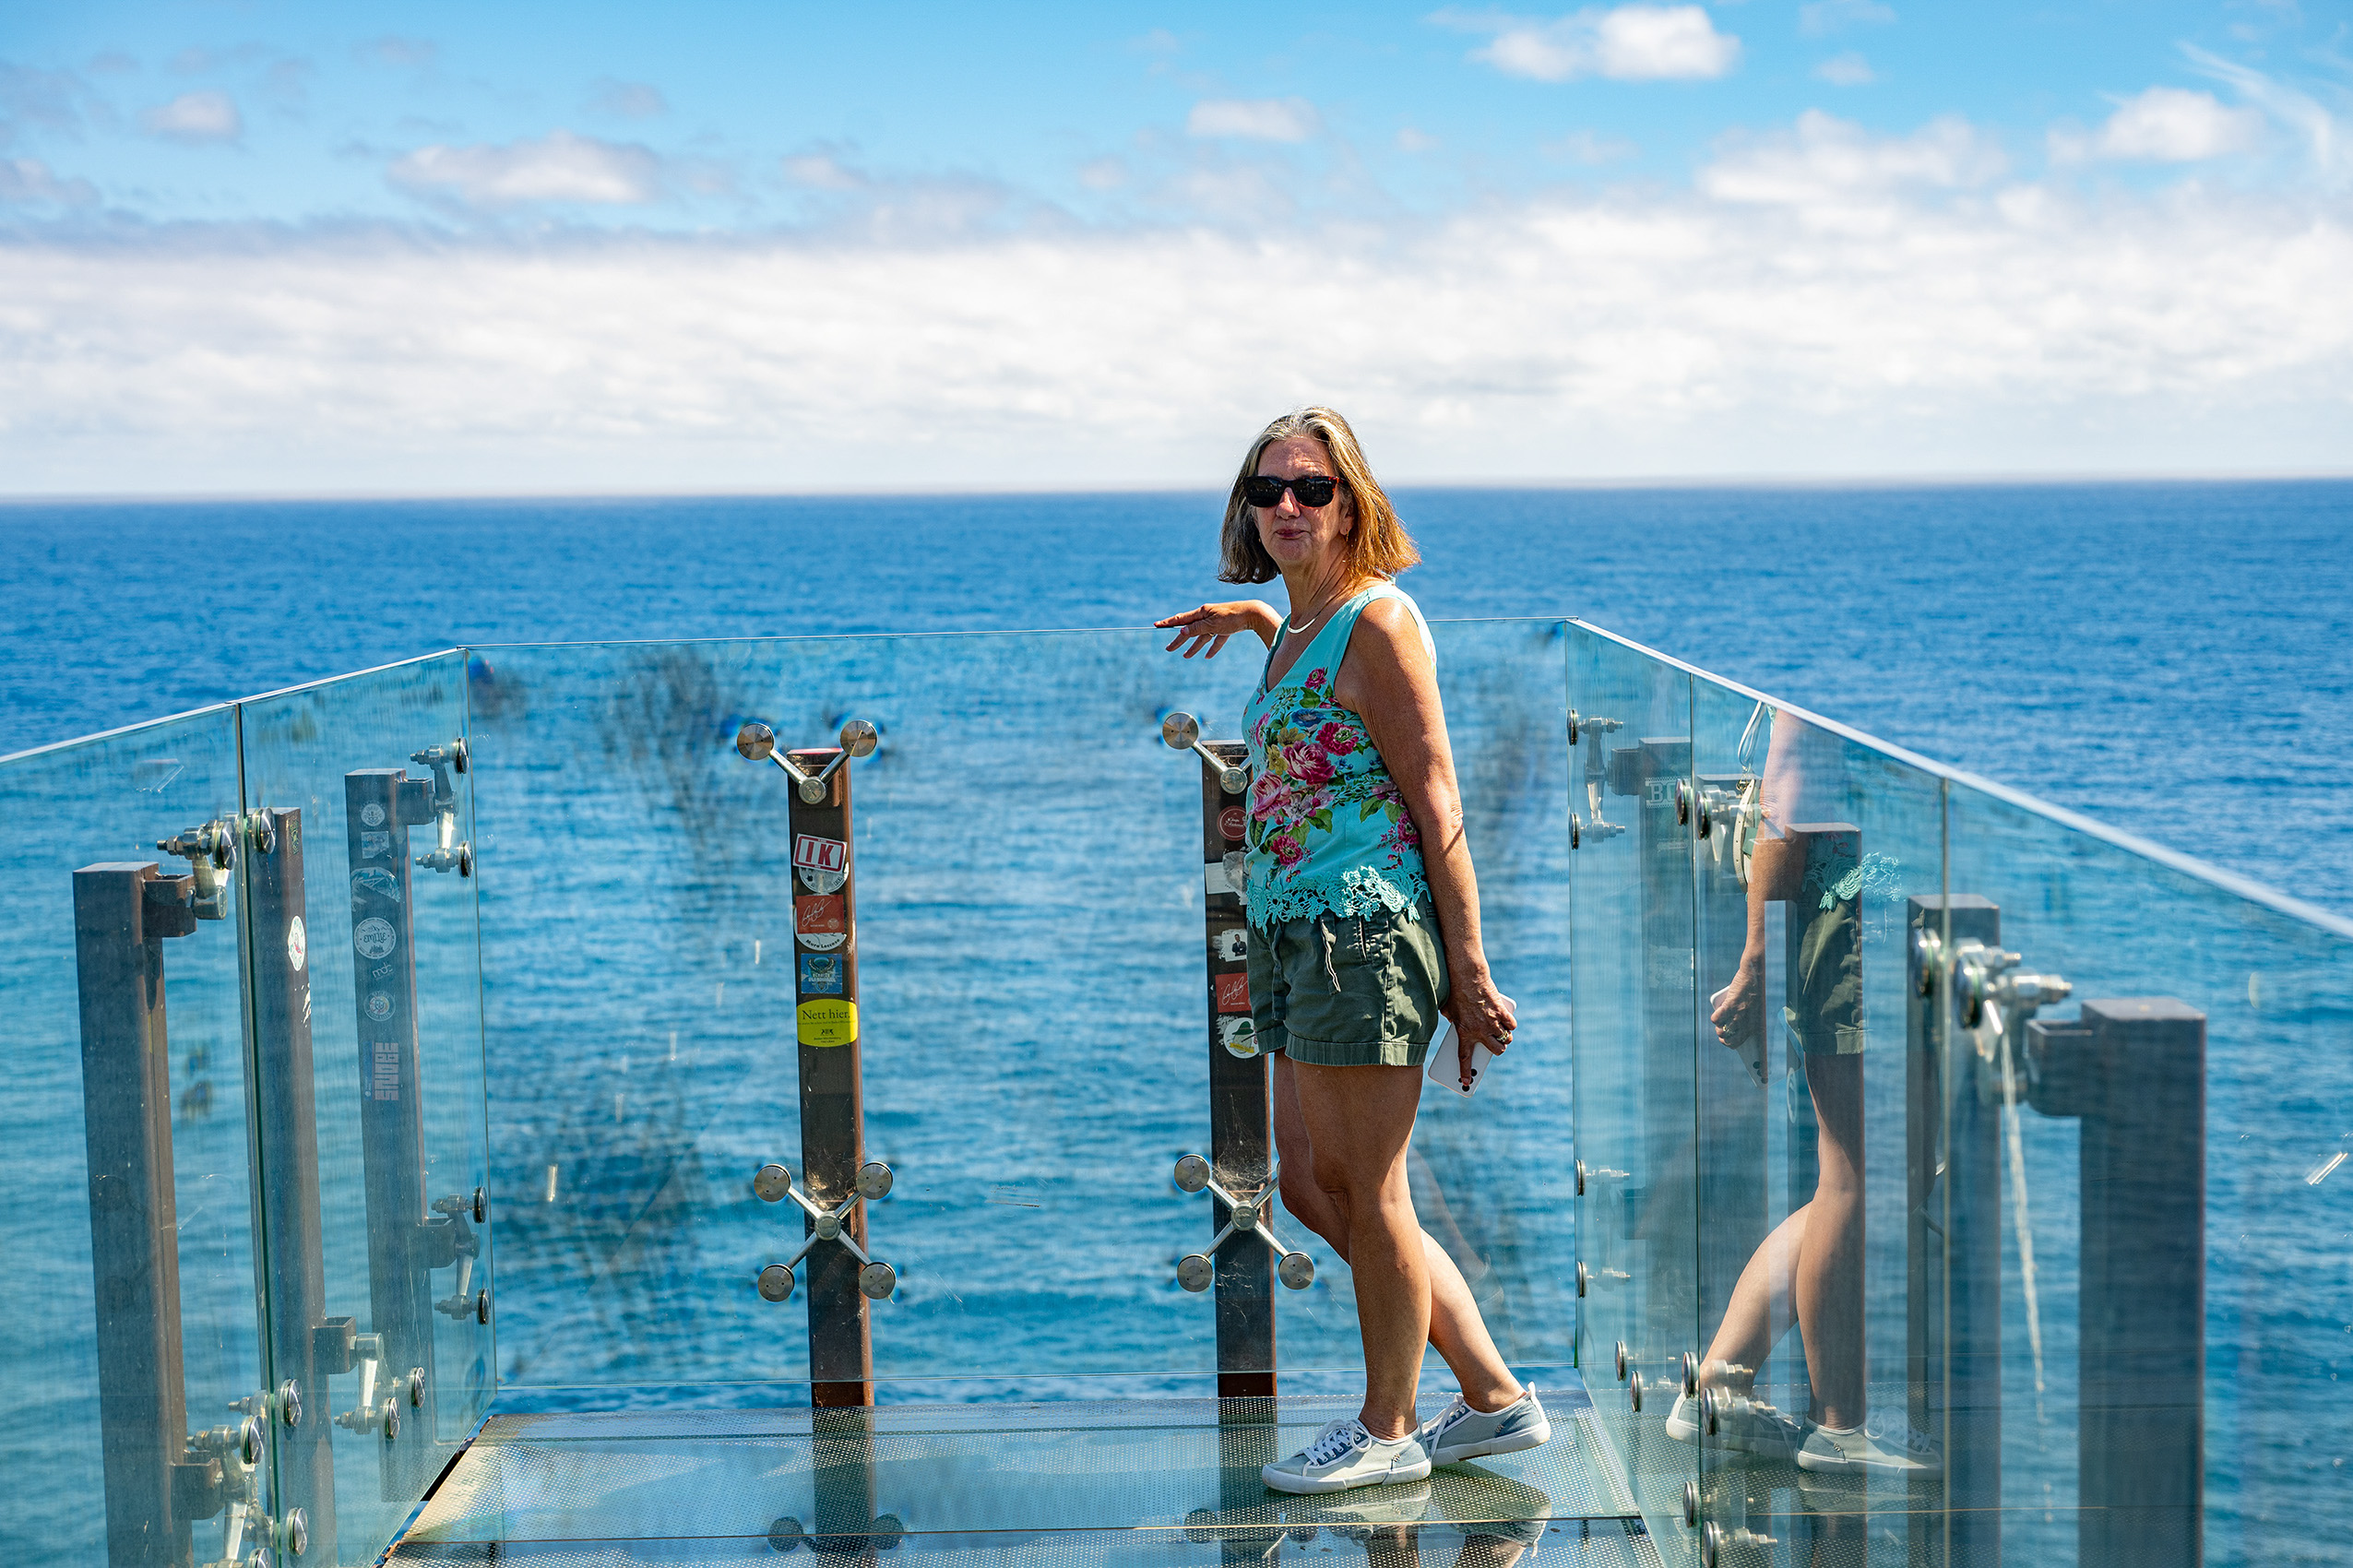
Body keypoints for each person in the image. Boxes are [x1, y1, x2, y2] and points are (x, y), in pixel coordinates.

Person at [1156, 407, 1550, 1495]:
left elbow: (1437, 797)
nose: (1288, 505)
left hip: (1360, 933)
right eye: (1266, 489)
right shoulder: (1299, 625)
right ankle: (1495, 1395)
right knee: (1311, 1187)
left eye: (1312, 489)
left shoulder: (1380, 620)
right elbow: (1307, 665)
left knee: (1368, 1192)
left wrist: (1467, 972)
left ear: (1352, 503)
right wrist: (1256, 616)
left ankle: (1388, 1425)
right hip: (1290, 934)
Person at [1668, 710, 1939, 1479]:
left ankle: (1719, 1382)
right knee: (1858, 1175)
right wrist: (1757, 962)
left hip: (1868, 917)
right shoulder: (1845, 636)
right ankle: (1840, 1430)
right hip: (1850, 922)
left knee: (1864, 1177)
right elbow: (1783, 801)